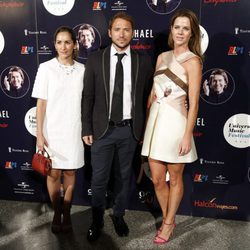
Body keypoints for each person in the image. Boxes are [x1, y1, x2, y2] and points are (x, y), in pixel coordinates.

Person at [82, 12, 153, 242]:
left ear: (132, 33)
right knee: (99, 179)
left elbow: (146, 99)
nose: (122, 34)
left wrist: (143, 130)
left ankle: (119, 215)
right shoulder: (96, 59)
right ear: (110, 32)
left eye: (126, 30)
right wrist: (86, 128)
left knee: (123, 178)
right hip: (102, 130)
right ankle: (96, 219)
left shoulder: (143, 61)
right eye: (117, 29)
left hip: (129, 131)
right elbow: (88, 97)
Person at [141, 9, 202, 245]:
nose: (180, 32)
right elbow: (153, 92)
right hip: (156, 122)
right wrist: (146, 124)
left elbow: (195, 102)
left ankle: (168, 222)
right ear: (172, 29)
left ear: (191, 33)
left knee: (175, 177)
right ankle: (170, 217)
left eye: (186, 28)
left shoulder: (193, 60)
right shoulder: (162, 57)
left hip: (176, 123)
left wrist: (187, 135)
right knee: (157, 178)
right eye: (177, 27)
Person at [32, 26, 85, 234]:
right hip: (52, 130)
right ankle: (56, 212)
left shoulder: (83, 70)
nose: (63, 46)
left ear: (74, 45)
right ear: (54, 45)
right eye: (59, 42)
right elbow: (41, 104)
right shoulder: (46, 68)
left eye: (67, 42)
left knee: (71, 171)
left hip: (74, 128)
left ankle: (67, 211)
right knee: (53, 173)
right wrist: (39, 133)